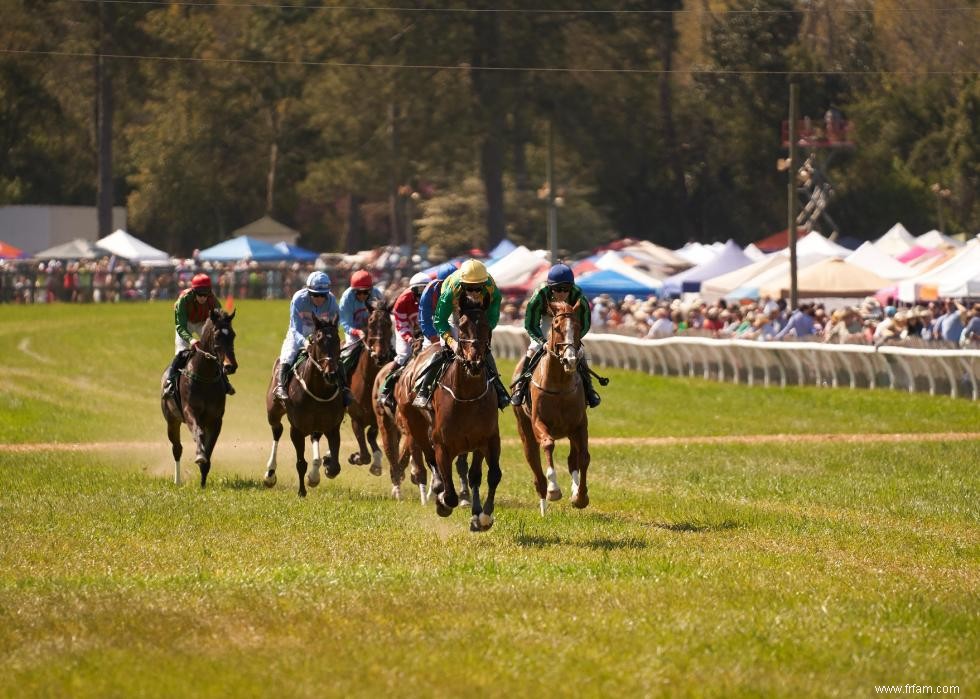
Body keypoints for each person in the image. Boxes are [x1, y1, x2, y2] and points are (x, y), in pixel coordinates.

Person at [412, 259, 510, 410]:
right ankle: (424, 390)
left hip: (478, 312)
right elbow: (440, 321)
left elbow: (493, 315)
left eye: (478, 289)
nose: (474, 293)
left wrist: (485, 331)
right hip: (454, 313)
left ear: (484, 284)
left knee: (484, 349)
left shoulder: (492, 289)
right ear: (462, 284)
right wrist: (451, 341)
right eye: (469, 288)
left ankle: (499, 388)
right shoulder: (451, 289)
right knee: (443, 350)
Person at [509, 263, 601, 408]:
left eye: (566, 289)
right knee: (533, 349)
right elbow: (531, 324)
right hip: (546, 321)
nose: (562, 294)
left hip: (568, 325)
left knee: (580, 352)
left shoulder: (579, 297)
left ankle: (589, 390)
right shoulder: (540, 294)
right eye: (557, 289)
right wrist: (543, 341)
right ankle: (520, 387)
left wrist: (572, 340)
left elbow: (584, 323)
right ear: (550, 287)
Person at [274, 271, 349, 403]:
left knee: (335, 356)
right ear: (308, 292)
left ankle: (344, 389)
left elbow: (334, 327)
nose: (319, 298)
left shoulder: (331, 302)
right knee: (288, 354)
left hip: (321, 332)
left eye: (322, 295)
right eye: (315, 295)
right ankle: (280, 386)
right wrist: (305, 343)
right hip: (300, 332)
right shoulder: (298, 299)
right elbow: (295, 328)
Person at [162, 273, 235, 397]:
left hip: (203, 323)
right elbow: (180, 326)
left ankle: (224, 381)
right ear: (193, 291)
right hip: (186, 324)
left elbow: (220, 320)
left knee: (215, 348)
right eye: (199, 293)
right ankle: (170, 382)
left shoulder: (213, 300)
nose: (203, 297)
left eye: (205, 293)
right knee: (181, 352)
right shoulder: (183, 300)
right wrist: (191, 340)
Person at [377, 272, 430, 410]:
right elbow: (402, 325)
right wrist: (410, 339)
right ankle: (385, 389)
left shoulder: (435, 298)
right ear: (411, 291)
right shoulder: (401, 302)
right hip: (407, 330)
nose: (420, 295)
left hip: (427, 331)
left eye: (424, 291)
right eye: (417, 292)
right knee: (403, 354)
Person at [419, 263, 458, 347]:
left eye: (453, 283)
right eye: (446, 283)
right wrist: (432, 336)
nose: (450, 287)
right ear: (439, 282)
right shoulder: (428, 292)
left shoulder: (463, 287)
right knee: (429, 347)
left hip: (455, 319)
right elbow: (425, 319)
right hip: (434, 321)